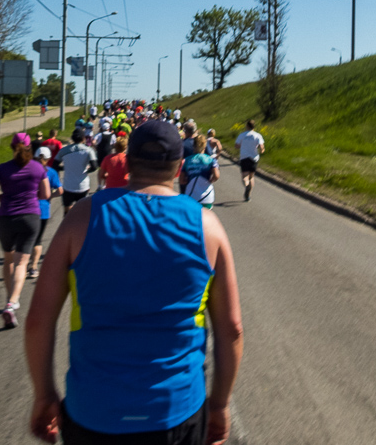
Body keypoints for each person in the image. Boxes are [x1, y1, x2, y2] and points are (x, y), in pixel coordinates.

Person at [24, 119, 244, 445]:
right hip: (177, 413)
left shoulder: (81, 218)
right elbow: (232, 329)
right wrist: (220, 404)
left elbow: (39, 322)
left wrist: (44, 395)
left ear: (127, 162)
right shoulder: (207, 226)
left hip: (93, 413)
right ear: (179, 168)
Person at [0, 132, 50, 329]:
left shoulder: (1, 169)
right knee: (22, 263)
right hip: (30, 218)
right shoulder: (38, 168)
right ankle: (12, 303)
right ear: (30, 147)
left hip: (5, 218)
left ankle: (9, 297)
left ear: (12, 147)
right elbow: (45, 194)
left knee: (8, 260)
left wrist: (0, 197)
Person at [29, 146, 63, 279]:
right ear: (48, 159)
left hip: (27, 209)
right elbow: (60, 191)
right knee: (37, 240)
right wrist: (49, 196)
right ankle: (33, 267)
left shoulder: (28, 170)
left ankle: (22, 264)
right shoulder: (51, 172)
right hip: (43, 210)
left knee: (27, 239)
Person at [54, 128, 99, 215]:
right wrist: (87, 171)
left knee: (67, 212)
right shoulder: (89, 150)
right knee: (82, 212)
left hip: (68, 186)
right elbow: (95, 167)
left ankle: (67, 226)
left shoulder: (63, 150)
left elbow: (54, 165)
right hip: (83, 186)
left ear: (72, 138)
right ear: (83, 138)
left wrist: (64, 168)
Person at [180, 133, 220, 209]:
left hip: (191, 195)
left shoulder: (187, 160)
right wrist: (212, 179)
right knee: (206, 219)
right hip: (207, 195)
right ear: (205, 146)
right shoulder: (211, 160)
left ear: (193, 145)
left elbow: (181, 180)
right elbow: (216, 175)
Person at [234, 120, 265, 202]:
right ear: (254, 127)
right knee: (251, 176)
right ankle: (248, 195)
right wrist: (262, 150)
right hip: (254, 158)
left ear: (247, 126)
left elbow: (236, 146)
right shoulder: (258, 135)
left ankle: (246, 186)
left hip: (244, 157)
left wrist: (241, 145)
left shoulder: (242, 135)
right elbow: (261, 146)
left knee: (244, 176)